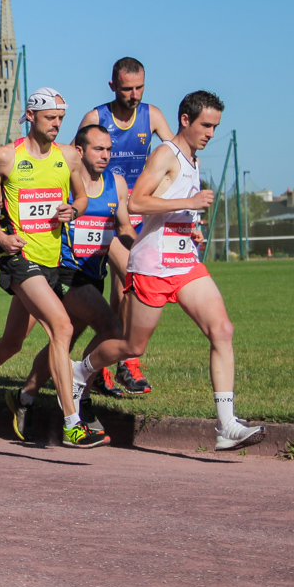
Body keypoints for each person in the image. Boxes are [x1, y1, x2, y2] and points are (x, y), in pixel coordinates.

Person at [0, 88, 117, 447]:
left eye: (60, 118)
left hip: (52, 261)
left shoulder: (68, 156)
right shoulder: (6, 156)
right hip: (20, 258)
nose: (56, 124)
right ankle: (72, 422)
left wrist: (76, 209)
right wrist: (1, 238)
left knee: (12, 342)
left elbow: (81, 195)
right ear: (31, 116)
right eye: (50, 117)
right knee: (62, 326)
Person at [121, 91, 263, 450]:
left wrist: (188, 223)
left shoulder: (192, 157)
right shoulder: (166, 153)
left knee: (222, 330)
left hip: (184, 262)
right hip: (152, 265)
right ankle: (83, 370)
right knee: (133, 346)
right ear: (185, 119)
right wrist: (190, 202)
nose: (212, 132)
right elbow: (137, 201)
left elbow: (169, 211)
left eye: (216, 126)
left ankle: (227, 425)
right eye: (206, 125)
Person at [12, 123, 134, 434]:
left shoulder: (116, 184)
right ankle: (83, 391)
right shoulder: (62, 178)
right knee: (111, 327)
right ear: (79, 151)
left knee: (63, 339)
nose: (105, 155)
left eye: (109, 149)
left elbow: (123, 228)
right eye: (98, 149)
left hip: (94, 273)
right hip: (65, 272)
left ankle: (25, 397)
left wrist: (142, 248)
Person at [78, 57, 174, 397]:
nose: (133, 95)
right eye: (126, 88)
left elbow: (175, 155)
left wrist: (166, 191)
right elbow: (76, 161)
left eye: (139, 88)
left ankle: (123, 362)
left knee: (131, 283)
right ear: (112, 86)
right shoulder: (95, 118)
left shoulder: (153, 116)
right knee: (115, 290)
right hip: (102, 211)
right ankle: (102, 363)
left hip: (136, 210)